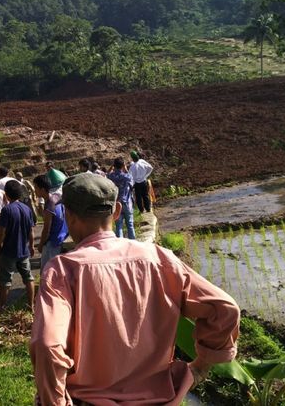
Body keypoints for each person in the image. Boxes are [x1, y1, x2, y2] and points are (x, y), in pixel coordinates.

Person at [30, 173, 240, 405]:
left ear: (69, 215)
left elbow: (48, 345)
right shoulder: (159, 258)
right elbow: (224, 308)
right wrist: (201, 366)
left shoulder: (62, 270)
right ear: (117, 211)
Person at [0, 180, 36, 316]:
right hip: (23, 251)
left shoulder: (7, 210)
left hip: (8, 251)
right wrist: (31, 245)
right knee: (28, 278)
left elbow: (1, 232)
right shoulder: (26, 209)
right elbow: (31, 231)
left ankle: (0, 310)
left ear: (6, 195)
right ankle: (31, 306)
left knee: (5, 282)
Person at [33, 174, 68, 269]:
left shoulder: (49, 206)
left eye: (36, 187)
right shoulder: (56, 198)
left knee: (46, 272)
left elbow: (46, 230)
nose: (34, 190)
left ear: (43, 189)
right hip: (61, 237)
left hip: (52, 243)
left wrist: (40, 245)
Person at [106, 157, 136, 239]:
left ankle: (120, 244)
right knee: (130, 224)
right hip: (126, 203)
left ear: (114, 166)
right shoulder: (127, 176)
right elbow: (132, 182)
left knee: (118, 226)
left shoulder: (110, 176)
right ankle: (132, 243)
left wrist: (111, 168)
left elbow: (106, 175)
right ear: (123, 165)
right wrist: (125, 169)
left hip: (116, 203)